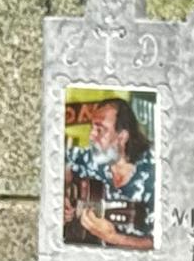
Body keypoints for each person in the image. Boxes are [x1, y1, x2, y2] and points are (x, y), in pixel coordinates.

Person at [67, 94, 156, 250]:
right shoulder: (91, 158)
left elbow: (166, 242)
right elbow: (56, 164)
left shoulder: (154, 172)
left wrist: (113, 238)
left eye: (100, 129)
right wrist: (60, 199)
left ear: (122, 137)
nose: (91, 136)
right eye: (92, 128)